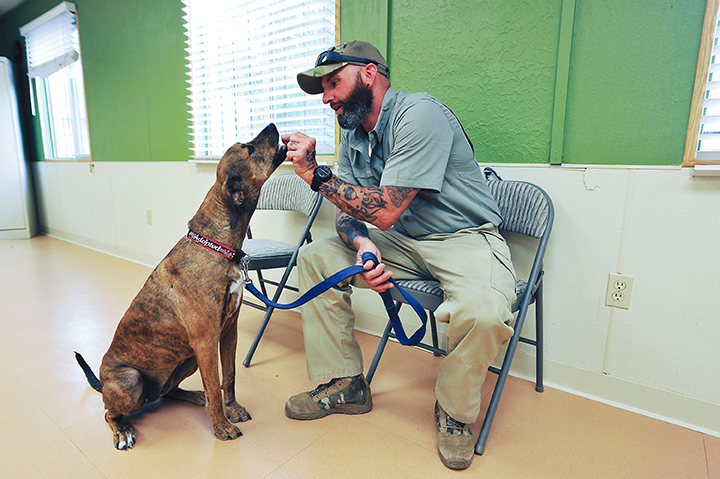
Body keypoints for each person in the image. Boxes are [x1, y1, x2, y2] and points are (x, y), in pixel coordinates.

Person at [281, 40, 517, 470]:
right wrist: (362, 243)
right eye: (323, 90)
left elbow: (385, 210)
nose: (328, 98)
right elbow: (349, 215)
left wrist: (316, 175)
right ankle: (347, 384)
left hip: (462, 237)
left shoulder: (418, 114)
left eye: (334, 83)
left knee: (483, 311)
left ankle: (454, 413)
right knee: (317, 257)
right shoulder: (354, 139)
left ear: (369, 74)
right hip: (405, 240)